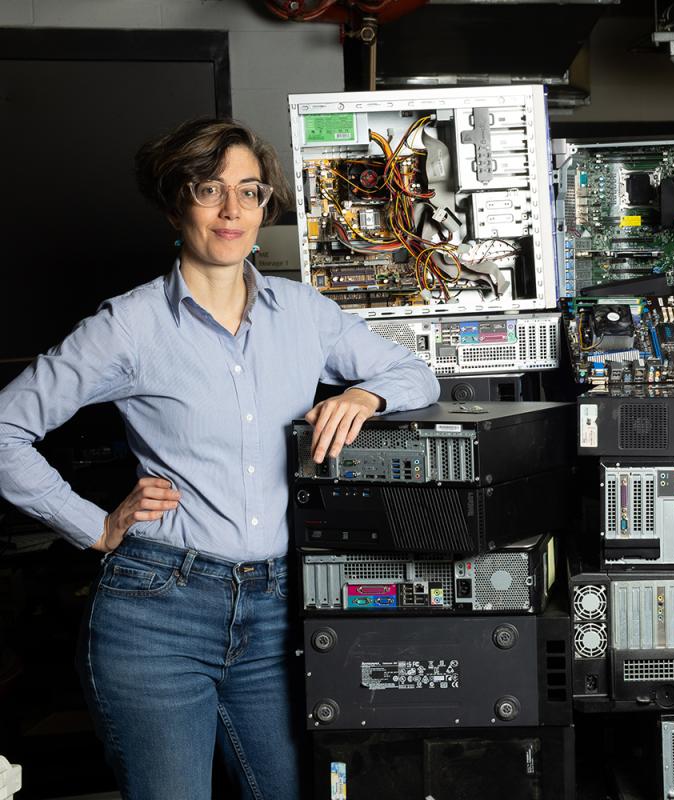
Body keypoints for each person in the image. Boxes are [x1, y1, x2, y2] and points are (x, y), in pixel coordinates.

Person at [0, 118, 440, 799]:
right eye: (211, 190)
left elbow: (417, 375)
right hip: (157, 615)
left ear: (265, 207)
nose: (232, 210)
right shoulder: (129, 325)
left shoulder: (303, 313)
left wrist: (365, 394)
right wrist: (92, 526)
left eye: (249, 190)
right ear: (177, 206)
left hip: (278, 611)